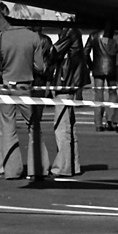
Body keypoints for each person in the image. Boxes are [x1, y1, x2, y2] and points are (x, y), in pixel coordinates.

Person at [0, 7, 48, 180]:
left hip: (6, 85)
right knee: (34, 126)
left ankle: (11, 170)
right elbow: (40, 67)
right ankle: (38, 168)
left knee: (7, 126)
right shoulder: (33, 37)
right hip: (25, 85)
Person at [45, 22, 89, 176]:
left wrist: (47, 52)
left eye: (59, 14)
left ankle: (63, 166)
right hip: (71, 81)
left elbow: (55, 52)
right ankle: (72, 164)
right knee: (69, 126)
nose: (56, 16)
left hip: (65, 81)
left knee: (62, 126)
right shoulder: (74, 31)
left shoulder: (69, 31)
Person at [87, 27, 117, 130]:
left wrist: (92, 66)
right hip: (112, 68)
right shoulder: (115, 35)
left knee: (98, 96)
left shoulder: (93, 35)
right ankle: (111, 119)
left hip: (98, 68)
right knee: (113, 93)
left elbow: (85, 52)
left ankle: (98, 123)